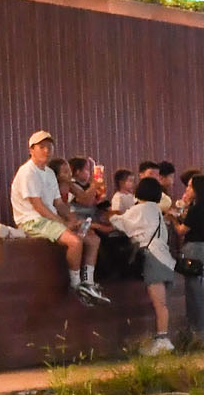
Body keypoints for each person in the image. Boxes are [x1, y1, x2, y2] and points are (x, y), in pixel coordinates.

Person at [11, 131, 108, 305]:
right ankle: (76, 285)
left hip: (49, 219)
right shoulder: (27, 172)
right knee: (75, 242)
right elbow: (38, 206)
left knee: (93, 240)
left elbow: (58, 203)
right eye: (41, 147)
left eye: (49, 147)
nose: (46, 151)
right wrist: (63, 223)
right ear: (31, 150)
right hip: (32, 220)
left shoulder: (49, 172)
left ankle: (89, 282)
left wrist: (72, 219)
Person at [110, 177, 177, 355]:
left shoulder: (142, 209)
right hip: (164, 258)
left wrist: (109, 213)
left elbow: (119, 222)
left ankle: (163, 340)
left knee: (159, 304)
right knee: (161, 303)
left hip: (153, 258)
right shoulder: (156, 209)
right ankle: (162, 339)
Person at [176, 172, 204, 347]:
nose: (187, 189)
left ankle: (201, 336)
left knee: (196, 295)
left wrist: (172, 219)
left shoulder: (196, 208)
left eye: (190, 186)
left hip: (194, 250)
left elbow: (182, 230)